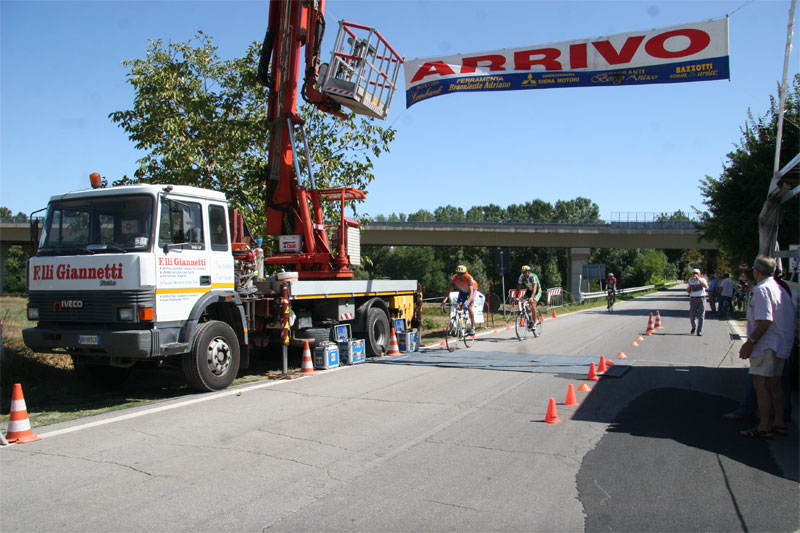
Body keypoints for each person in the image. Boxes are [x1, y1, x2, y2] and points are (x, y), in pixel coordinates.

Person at [737, 255, 796, 438]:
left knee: (760, 384)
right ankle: (778, 422)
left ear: (756, 271)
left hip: (766, 344)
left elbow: (765, 320)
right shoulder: (780, 288)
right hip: (781, 343)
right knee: (775, 384)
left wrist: (750, 342)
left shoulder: (762, 290)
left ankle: (764, 426)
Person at [442, 265, 478, 335]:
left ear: (465, 273)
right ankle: (461, 327)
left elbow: (470, 294)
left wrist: (467, 304)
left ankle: (473, 327)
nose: (459, 275)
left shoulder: (469, 278)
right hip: (462, 291)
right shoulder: (453, 278)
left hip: (472, 290)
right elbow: (448, 291)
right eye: (458, 273)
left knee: (470, 307)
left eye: (461, 274)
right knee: (459, 307)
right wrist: (444, 301)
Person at [687, 268, 708, 336]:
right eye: (693, 273)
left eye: (696, 273)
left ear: (699, 274)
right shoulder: (691, 280)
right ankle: (694, 327)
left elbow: (706, 286)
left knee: (701, 316)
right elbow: (688, 291)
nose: (695, 274)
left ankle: (699, 331)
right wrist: (690, 286)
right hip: (693, 298)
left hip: (702, 298)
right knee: (692, 315)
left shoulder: (702, 279)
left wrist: (698, 279)